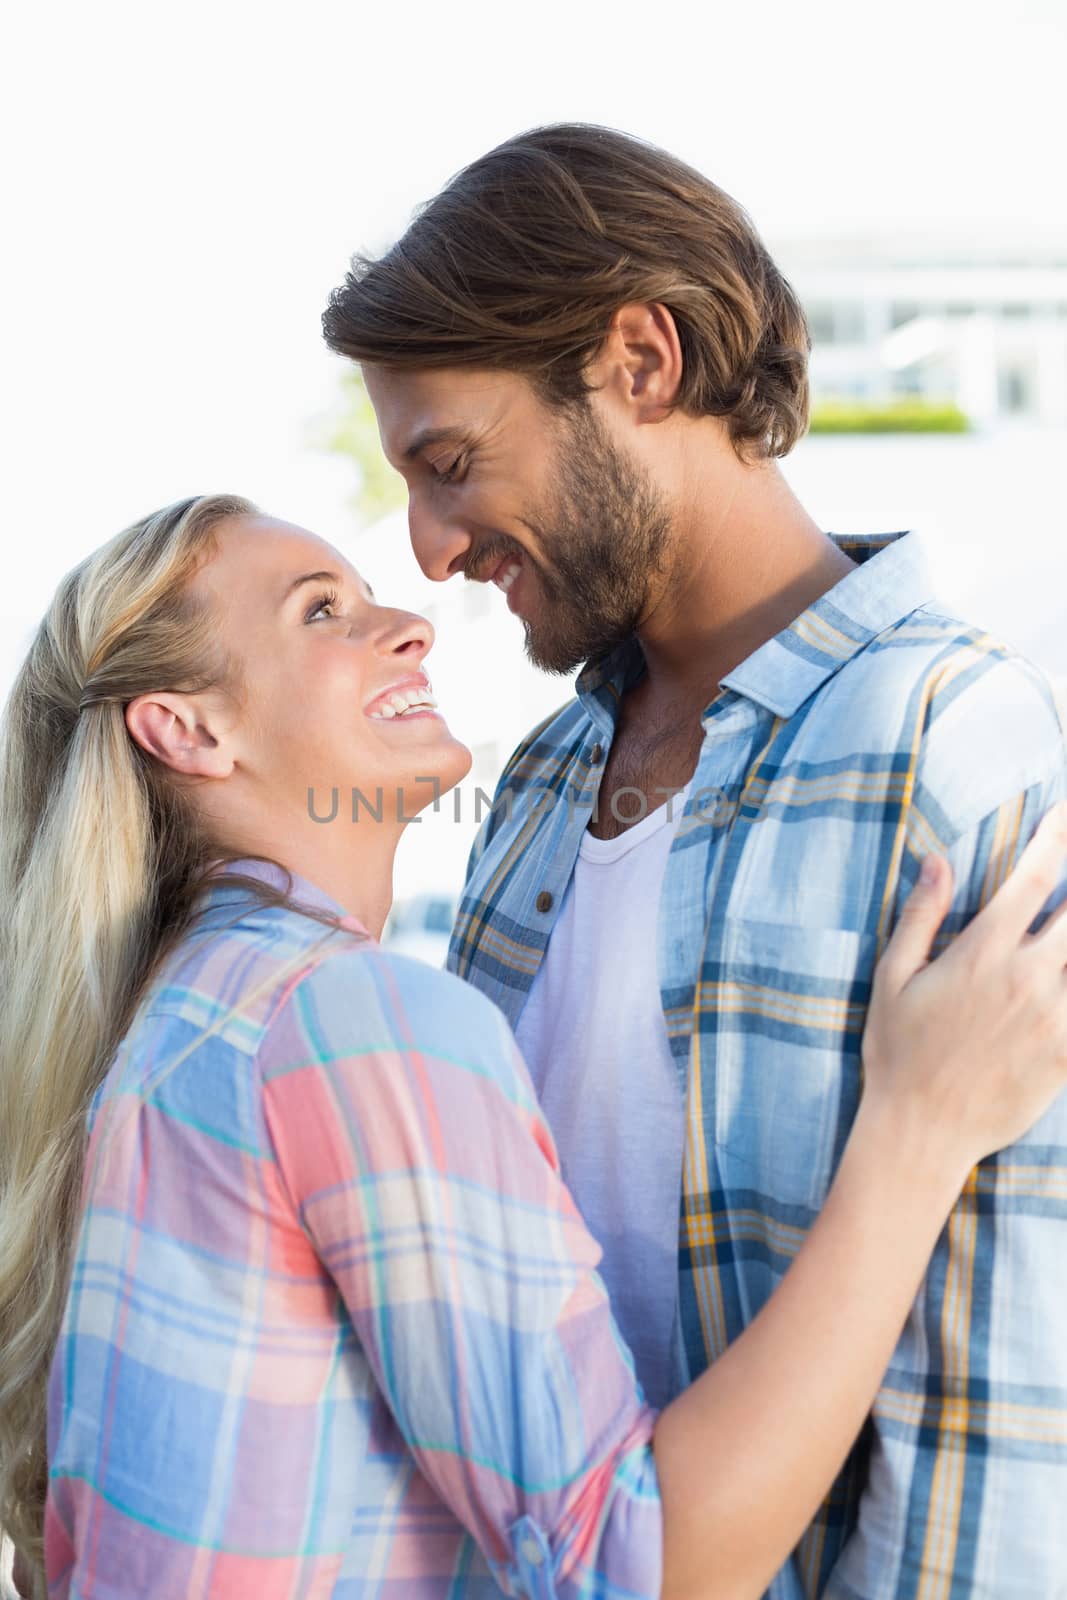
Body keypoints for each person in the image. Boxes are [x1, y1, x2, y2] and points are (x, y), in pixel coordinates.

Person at [1, 498, 1066, 1600]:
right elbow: (632, 1568)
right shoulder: (342, 1017)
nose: (408, 620)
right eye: (323, 612)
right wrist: (916, 1130)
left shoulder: (187, 1001)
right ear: (188, 729)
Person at [322, 123, 1067, 1595]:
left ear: (640, 363)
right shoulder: (536, 784)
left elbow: (1001, 1389)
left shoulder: (953, 740)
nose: (424, 549)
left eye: (452, 463)